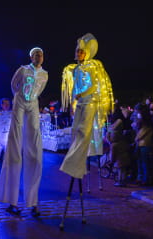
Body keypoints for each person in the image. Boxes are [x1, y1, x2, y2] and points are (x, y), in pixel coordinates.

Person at [0, 47, 48, 216]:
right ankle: (12, 200)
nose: (38, 57)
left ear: (43, 57)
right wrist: (19, 98)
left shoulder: (44, 74)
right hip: (19, 101)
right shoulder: (23, 70)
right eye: (35, 54)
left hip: (33, 104)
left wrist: (30, 100)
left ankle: (32, 201)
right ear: (31, 57)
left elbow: (39, 91)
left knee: (34, 149)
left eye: (40, 54)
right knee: (15, 146)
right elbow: (13, 85)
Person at [60, 33, 114, 179]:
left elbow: (93, 86)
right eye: (78, 51)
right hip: (79, 104)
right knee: (75, 130)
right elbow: (74, 88)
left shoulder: (92, 67)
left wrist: (80, 95)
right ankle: (76, 164)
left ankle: (74, 163)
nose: (79, 54)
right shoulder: (76, 70)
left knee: (84, 131)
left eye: (82, 51)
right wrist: (73, 101)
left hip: (90, 102)